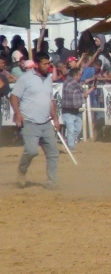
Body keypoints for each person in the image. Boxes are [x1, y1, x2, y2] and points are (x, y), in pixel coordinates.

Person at [9, 52, 60, 189]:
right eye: (44, 64)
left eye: (48, 63)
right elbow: (13, 97)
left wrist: (55, 118)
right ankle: (22, 170)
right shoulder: (25, 78)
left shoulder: (49, 79)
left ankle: (52, 183)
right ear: (36, 65)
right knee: (31, 151)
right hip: (29, 121)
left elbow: (51, 100)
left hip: (46, 122)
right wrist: (18, 113)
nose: (47, 66)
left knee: (53, 153)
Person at [61, 68, 95, 151]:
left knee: (78, 128)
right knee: (71, 130)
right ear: (75, 76)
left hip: (75, 111)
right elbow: (76, 96)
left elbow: (83, 94)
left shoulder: (76, 84)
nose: (81, 76)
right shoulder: (69, 84)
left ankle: (67, 143)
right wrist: (83, 95)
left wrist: (93, 88)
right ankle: (71, 147)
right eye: (80, 75)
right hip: (68, 111)